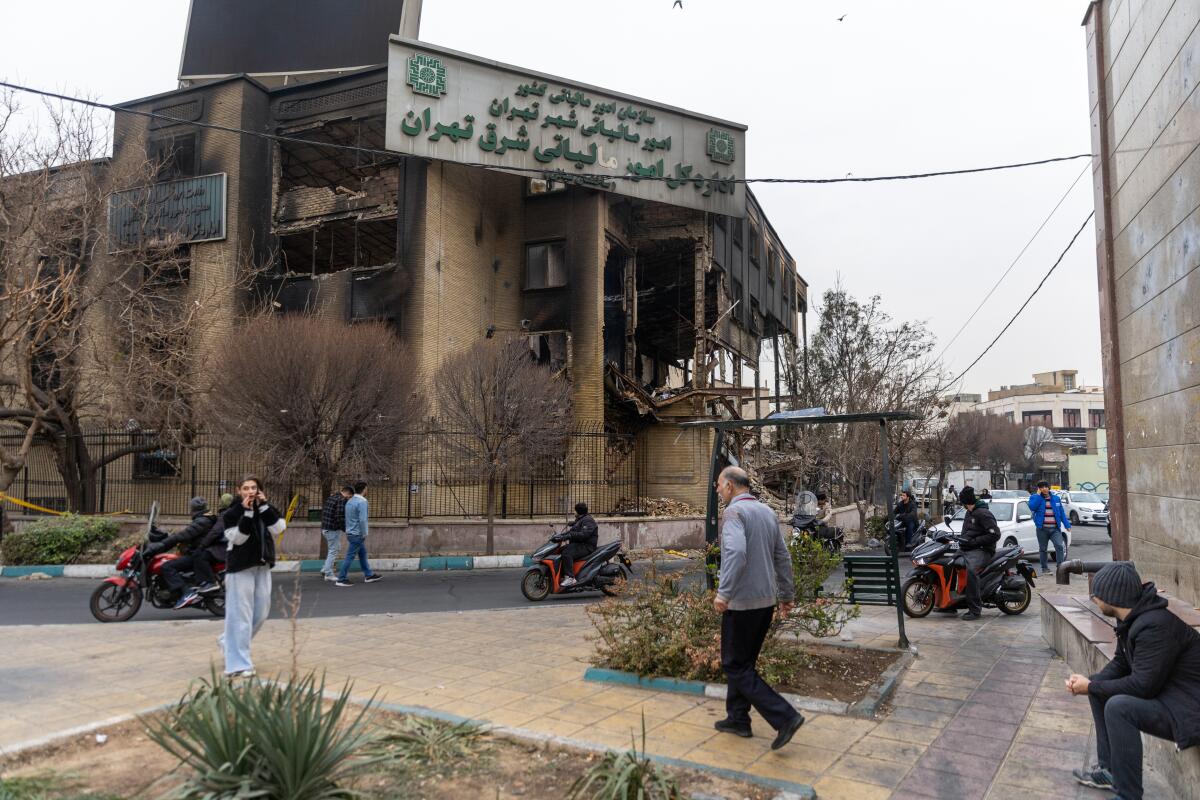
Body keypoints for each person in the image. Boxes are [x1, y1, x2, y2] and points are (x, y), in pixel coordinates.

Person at [1067, 562, 1200, 800]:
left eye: (1097, 594)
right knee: (1099, 687)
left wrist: (1092, 687)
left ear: (1112, 597)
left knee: (1120, 708)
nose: (1093, 598)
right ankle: (1109, 770)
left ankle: (1128, 795)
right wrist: (1091, 683)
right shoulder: (1130, 617)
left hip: (1189, 707)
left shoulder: (1155, 626)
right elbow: (1121, 661)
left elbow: (1142, 685)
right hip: (1172, 695)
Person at [712, 466, 805, 750]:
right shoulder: (766, 512)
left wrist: (723, 593)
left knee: (733, 663)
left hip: (741, 603)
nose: (717, 490)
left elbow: (736, 553)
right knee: (743, 663)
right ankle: (737, 718)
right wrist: (786, 594)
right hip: (765, 602)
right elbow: (783, 556)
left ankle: (785, 716)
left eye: (719, 485)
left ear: (730, 486)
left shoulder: (734, 513)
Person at [220, 476, 285, 678]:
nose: (250, 491)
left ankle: (227, 641)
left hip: (262, 566)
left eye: (254, 487)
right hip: (240, 568)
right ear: (239, 491)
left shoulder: (267, 509)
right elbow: (238, 538)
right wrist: (247, 513)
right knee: (241, 616)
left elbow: (279, 528)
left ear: (259, 490)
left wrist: (264, 507)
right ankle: (238, 665)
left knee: (260, 613)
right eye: (246, 488)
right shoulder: (232, 513)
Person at [149, 497, 218, 610]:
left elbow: (184, 535)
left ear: (194, 508)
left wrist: (162, 544)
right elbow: (184, 535)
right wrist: (164, 537)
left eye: (191, 508)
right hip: (195, 551)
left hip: (198, 553)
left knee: (167, 566)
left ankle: (187, 592)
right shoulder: (203, 519)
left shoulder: (202, 521)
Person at [956, 486, 1000, 621]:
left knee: (971, 571)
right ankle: (951, 604)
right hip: (968, 548)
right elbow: (968, 532)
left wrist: (974, 542)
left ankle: (975, 609)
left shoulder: (983, 513)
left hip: (983, 550)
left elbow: (995, 535)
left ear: (965, 502)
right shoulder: (969, 513)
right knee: (949, 563)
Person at [336, 481, 381, 587]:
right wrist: (365, 532)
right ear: (364, 489)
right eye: (367, 489)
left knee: (362, 553)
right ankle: (341, 579)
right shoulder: (362, 502)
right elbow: (362, 519)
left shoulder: (350, 501)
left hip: (350, 532)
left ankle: (369, 575)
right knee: (350, 556)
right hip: (357, 534)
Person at [1028, 481, 1071, 577]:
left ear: (1049, 487)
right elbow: (1032, 507)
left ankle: (1060, 567)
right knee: (1043, 549)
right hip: (1042, 529)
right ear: (1039, 489)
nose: (1044, 489)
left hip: (1055, 529)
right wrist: (1038, 496)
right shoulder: (1035, 497)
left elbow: (1061, 513)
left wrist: (1067, 525)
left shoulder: (1055, 498)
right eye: (1041, 487)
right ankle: (1045, 569)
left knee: (1059, 546)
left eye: (1046, 486)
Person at [558, 502, 598, 588]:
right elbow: (573, 531)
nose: (574, 512)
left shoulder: (588, 520)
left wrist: (570, 535)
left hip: (587, 546)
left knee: (566, 553)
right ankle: (563, 575)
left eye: (575, 511)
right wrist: (561, 536)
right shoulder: (580, 519)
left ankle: (571, 578)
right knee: (559, 550)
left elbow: (584, 535)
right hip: (579, 544)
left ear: (579, 511)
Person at [320, 486, 352, 582]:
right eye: (349, 496)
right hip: (332, 529)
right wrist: (346, 529)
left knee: (334, 549)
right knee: (333, 550)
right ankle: (328, 573)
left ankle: (325, 568)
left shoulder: (332, 497)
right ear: (348, 493)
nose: (348, 499)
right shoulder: (341, 500)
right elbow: (340, 517)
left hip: (325, 528)